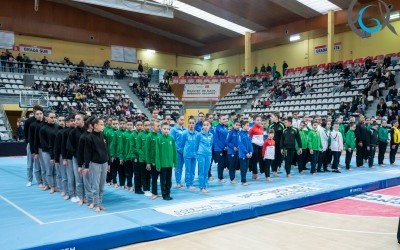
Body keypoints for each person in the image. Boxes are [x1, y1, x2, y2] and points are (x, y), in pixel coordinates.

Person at [85, 118, 110, 212]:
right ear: (95, 125)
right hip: (95, 163)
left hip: (104, 162)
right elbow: (87, 153)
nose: (103, 126)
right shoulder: (89, 137)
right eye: (101, 124)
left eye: (103, 124)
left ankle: (100, 203)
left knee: (102, 185)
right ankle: (96, 204)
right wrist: (86, 166)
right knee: (95, 185)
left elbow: (107, 150)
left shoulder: (104, 136)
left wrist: (109, 163)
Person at [155, 122, 178, 200]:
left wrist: (175, 163)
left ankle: (168, 193)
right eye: (164, 129)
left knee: (169, 181)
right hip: (162, 165)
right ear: (161, 129)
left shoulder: (171, 138)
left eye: (168, 129)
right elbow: (157, 153)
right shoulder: (159, 139)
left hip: (169, 164)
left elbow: (174, 152)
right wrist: (158, 165)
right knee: (163, 181)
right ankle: (164, 195)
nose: (166, 130)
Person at [67, 113, 85, 205]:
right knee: (78, 179)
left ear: (83, 120)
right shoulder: (72, 133)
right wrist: (77, 155)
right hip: (76, 159)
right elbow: (70, 147)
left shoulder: (87, 131)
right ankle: (80, 196)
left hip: (87, 159)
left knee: (87, 179)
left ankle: (87, 196)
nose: (76, 121)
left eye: (78, 119)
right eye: (75, 119)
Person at [77, 116, 95, 206]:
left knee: (95, 183)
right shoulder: (83, 137)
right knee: (88, 183)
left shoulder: (98, 135)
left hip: (97, 163)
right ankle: (90, 200)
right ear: (91, 125)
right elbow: (80, 153)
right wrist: (80, 165)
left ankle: (95, 200)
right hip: (86, 163)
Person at [24, 106, 43, 187]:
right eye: (37, 113)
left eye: (40, 113)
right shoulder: (28, 121)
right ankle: (29, 180)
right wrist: (29, 144)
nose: (39, 115)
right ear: (34, 113)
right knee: (30, 163)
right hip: (31, 144)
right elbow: (25, 134)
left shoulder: (44, 122)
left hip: (40, 146)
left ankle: (40, 181)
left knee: (38, 164)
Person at [39, 111, 57, 193]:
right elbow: (44, 143)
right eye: (51, 117)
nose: (53, 119)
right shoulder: (43, 129)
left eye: (54, 117)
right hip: (47, 152)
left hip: (56, 152)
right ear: (47, 118)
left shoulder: (57, 128)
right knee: (49, 170)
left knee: (56, 170)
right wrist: (51, 152)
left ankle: (56, 185)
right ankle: (51, 186)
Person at [195, 120, 213, 192]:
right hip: (201, 154)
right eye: (204, 125)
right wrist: (197, 153)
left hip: (208, 154)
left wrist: (209, 152)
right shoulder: (199, 135)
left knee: (206, 171)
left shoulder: (211, 135)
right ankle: (201, 187)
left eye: (207, 125)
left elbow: (211, 144)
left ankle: (205, 186)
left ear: (210, 126)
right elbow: (196, 145)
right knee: (201, 171)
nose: (205, 126)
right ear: (202, 126)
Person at [145, 120, 161, 200]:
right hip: (152, 161)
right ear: (152, 127)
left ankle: (159, 192)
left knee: (159, 177)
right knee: (154, 178)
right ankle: (154, 193)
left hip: (159, 161)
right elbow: (147, 150)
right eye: (157, 126)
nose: (159, 127)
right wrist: (148, 162)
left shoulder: (159, 136)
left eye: (159, 126)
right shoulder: (149, 136)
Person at [170, 115, 186, 188]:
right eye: (181, 119)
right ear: (177, 120)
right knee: (177, 167)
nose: (182, 121)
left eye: (183, 120)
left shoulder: (185, 130)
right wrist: (178, 149)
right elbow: (172, 140)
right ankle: (178, 182)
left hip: (184, 151)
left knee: (181, 167)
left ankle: (179, 181)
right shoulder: (173, 129)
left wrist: (184, 149)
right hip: (177, 151)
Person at [181, 117, 198, 190]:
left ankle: (191, 183)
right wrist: (184, 152)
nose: (191, 125)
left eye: (193, 123)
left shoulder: (197, 134)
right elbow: (181, 144)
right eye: (190, 123)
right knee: (188, 170)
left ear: (195, 124)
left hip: (194, 155)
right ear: (188, 124)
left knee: (193, 170)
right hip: (187, 155)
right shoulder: (184, 133)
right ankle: (188, 184)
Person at [136, 120, 151, 196]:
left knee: (149, 175)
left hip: (150, 159)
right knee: (144, 175)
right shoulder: (140, 135)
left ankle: (148, 188)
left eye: (149, 125)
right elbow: (138, 148)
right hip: (143, 159)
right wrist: (145, 157)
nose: (147, 127)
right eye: (146, 125)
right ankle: (145, 189)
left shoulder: (152, 135)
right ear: (143, 126)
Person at [268, 112, 285, 176]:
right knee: (273, 157)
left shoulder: (282, 125)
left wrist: (282, 146)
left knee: (280, 157)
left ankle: (278, 167)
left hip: (280, 145)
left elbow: (283, 136)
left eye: (272, 116)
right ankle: (274, 170)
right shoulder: (271, 125)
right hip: (272, 144)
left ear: (276, 117)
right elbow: (269, 135)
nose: (271, 118)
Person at [130, 120, 143, 194]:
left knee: (142, 173)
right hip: (135, 157)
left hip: (143, 158)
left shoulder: (144, 134)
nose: (139, 126)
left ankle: (141, 187)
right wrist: (141, 153)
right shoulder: (132, 135)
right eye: (138, 125)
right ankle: (137, 189)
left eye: (141, 125)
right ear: (135, 126)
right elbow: (132, 148)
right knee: (137, 173)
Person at [214, 115, 228, 182]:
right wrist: (223, 147)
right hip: (219, 149)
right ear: (219, 120)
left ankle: (221, 176)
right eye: (224, 119)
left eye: (226, 119)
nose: (225, 120)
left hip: (225, 148)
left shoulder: (225, 127)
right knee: (221, 163)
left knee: (224, 163)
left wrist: (227, 146)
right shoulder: (217, 128)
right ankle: (220, 178)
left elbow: (226, 138)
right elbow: (217, 139)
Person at [238, 120, 253, 186]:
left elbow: (250, 143)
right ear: (243, 126)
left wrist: (251, 151)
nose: (248, 127)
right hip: (243, 154)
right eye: (247, 125)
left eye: (248, 125)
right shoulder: (240, 134)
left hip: (248, 154)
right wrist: (246, 152)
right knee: (243, 168)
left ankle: (244, 180)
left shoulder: (247, 133)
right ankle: (243, 181)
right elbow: (241, 145)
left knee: (246, 167)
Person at [122, 120, 134, 192]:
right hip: (127, 157)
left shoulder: (134, 134)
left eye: (131, 124)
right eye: (128, 124)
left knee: (135, 172)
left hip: (134, 157)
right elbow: (122, 147)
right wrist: (122, 157)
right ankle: (129, 185)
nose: (129, 126)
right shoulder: (124, 134)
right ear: (126, 125)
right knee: (129, 172)